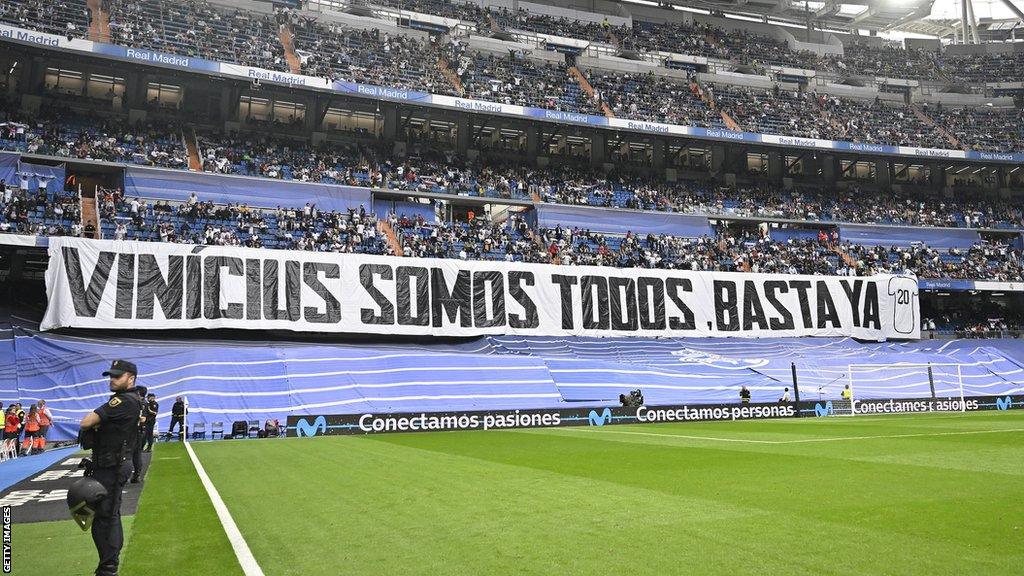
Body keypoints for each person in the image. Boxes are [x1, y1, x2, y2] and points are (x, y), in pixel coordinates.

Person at [78, 359, 143, 576]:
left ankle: (108, 568)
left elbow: (86, 422)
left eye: (117, 376)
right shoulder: (124, 400)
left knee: (107, 516)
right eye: (111, 376)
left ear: (130, 378)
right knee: (104, 515)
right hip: (108, 463)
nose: (112, 379)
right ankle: (107, 565)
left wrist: (96, 423)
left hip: (113, 465)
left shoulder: (123, 401)